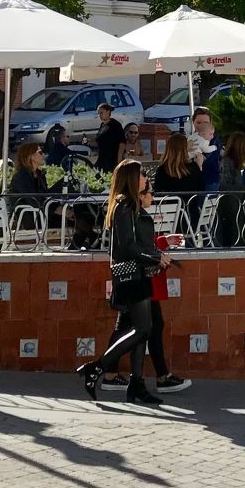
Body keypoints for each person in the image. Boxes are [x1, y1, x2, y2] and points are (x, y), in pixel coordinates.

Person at [79, 160, 172, 406]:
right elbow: (128, 246)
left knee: (141, 331)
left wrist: (156, 255)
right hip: (131, 276)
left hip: (140, 274)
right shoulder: (123, 206)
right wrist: (155, 256)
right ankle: (98, 367)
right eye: (142, 174)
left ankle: (137, 384)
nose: (145, 178)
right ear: (132, 178)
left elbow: (137, 244)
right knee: (143, 329)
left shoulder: (130, 206)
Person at [189, 106, 223, 189]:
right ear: (193, 122)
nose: (202, 125)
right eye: (198, 122)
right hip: (192, 181)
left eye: (205, 122)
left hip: (209, 182)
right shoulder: (190, 138)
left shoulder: (213, 140)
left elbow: (206, 158)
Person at [94, 101, 125, 173]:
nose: (100, 115)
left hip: (112, 158)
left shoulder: (115, 125)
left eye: (101, 113)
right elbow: (99, 141)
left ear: (108, 112)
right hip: (102, 157)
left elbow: (122, 142)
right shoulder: (102, 125)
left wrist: (119, 158)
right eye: (99, 114)